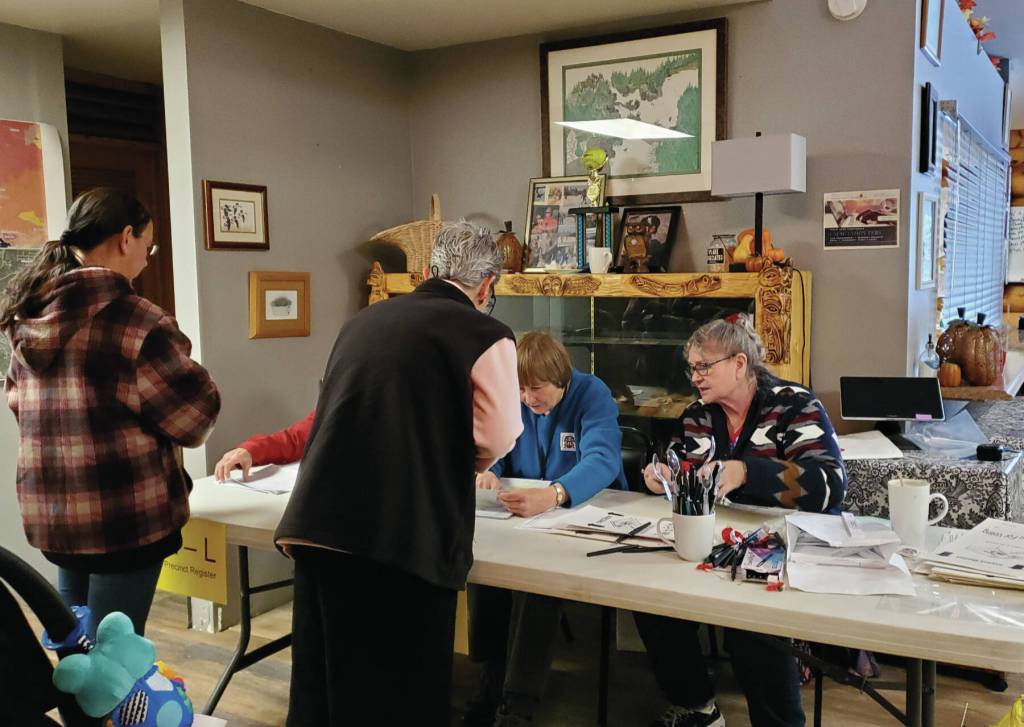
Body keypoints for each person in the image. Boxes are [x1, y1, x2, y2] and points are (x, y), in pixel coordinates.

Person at [274, 221, 522, 727]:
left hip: (316, 522)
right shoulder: (485, 333)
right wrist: (448, 467)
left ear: (429, 271)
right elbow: (498, 435)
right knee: (397, 690)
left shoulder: (366, 320)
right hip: (399, 535)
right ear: (486, 286)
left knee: (325, 684)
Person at [0, 188, 221, 639]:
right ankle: (117, 713)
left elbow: (17, 403)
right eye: (147, 246)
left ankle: (81, 713)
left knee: (75, 646)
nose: (146, 258)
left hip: (55, 516)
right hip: (125, 517)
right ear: (125, 238)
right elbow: (194, 418)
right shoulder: (139, 321)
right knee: (115, 659)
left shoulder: (28, 313)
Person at [637, 314, 846, 727]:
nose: (695, 377)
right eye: (691, 367)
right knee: (649, 599)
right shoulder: (699, 413)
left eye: (704, 367)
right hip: (717, 541)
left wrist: (748, 472)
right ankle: (697, 705)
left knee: (751, 621)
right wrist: (663, 476)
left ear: (739, 364)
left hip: (785, 543)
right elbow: (687, 468)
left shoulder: (795, 405)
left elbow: (829, 486)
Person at [466, 331, 627, 726]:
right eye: (520, 390)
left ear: (562, 378)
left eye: (536, 389)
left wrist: (556, 493)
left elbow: (603, 460)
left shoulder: (592, 394)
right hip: (521, 520)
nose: (527, 399)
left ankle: (516, 705)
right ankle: (491, 678)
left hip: (582, 518)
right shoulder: (517, 399)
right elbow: (500, 448)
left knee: (537, 587)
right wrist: (488, 471)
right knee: (481, 570)